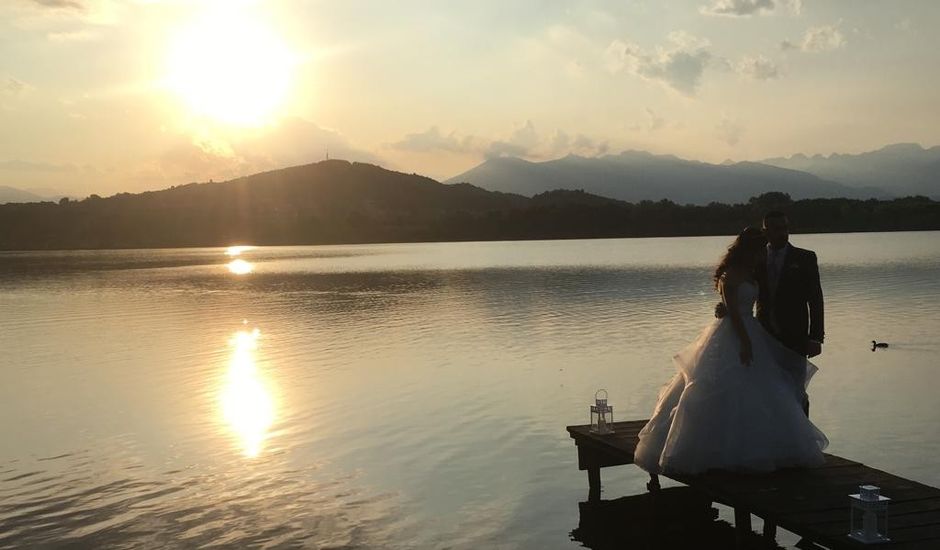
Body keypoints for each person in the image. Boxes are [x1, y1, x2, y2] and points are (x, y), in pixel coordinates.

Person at [633, 227, 828, 476]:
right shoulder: (730, 275)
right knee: (717, 387)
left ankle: (766, 446)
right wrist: (745, 341)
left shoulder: (750, 271)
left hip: (753, 329)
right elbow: (734, 313)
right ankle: (716, 450)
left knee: (764, 389)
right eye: (758, 249)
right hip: (734, 333)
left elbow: (749, 301)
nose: (762, 254)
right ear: (748, 249)